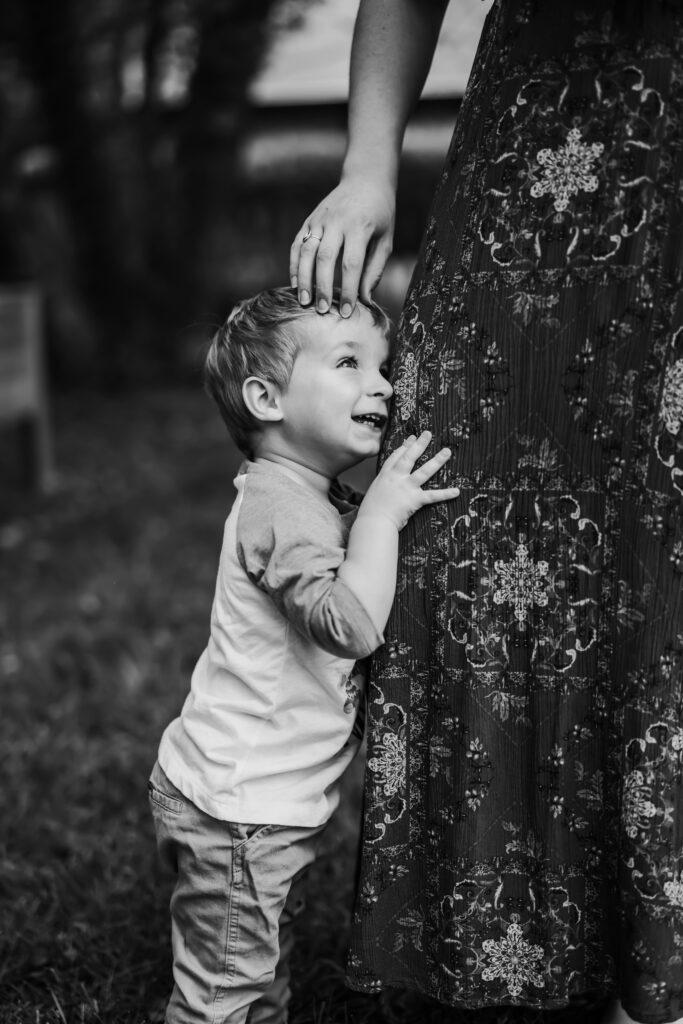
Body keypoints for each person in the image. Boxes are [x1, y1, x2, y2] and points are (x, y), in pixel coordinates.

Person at [290, 1, 683, 1023]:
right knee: (449, 496)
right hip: (520, 146)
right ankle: (487, 940)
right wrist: (367, 164)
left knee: (658, 520)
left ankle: (651, 952)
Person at [148, 286, 460, 1024]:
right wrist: (382, 513)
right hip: (239, 808)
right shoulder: (281, 510)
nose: (381, 384)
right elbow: (347, 624)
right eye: (349, 363)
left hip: (242, 797)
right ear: (265, 398)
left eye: (382, 366)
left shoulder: (296, 496)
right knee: (223, 989)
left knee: (251, 965)